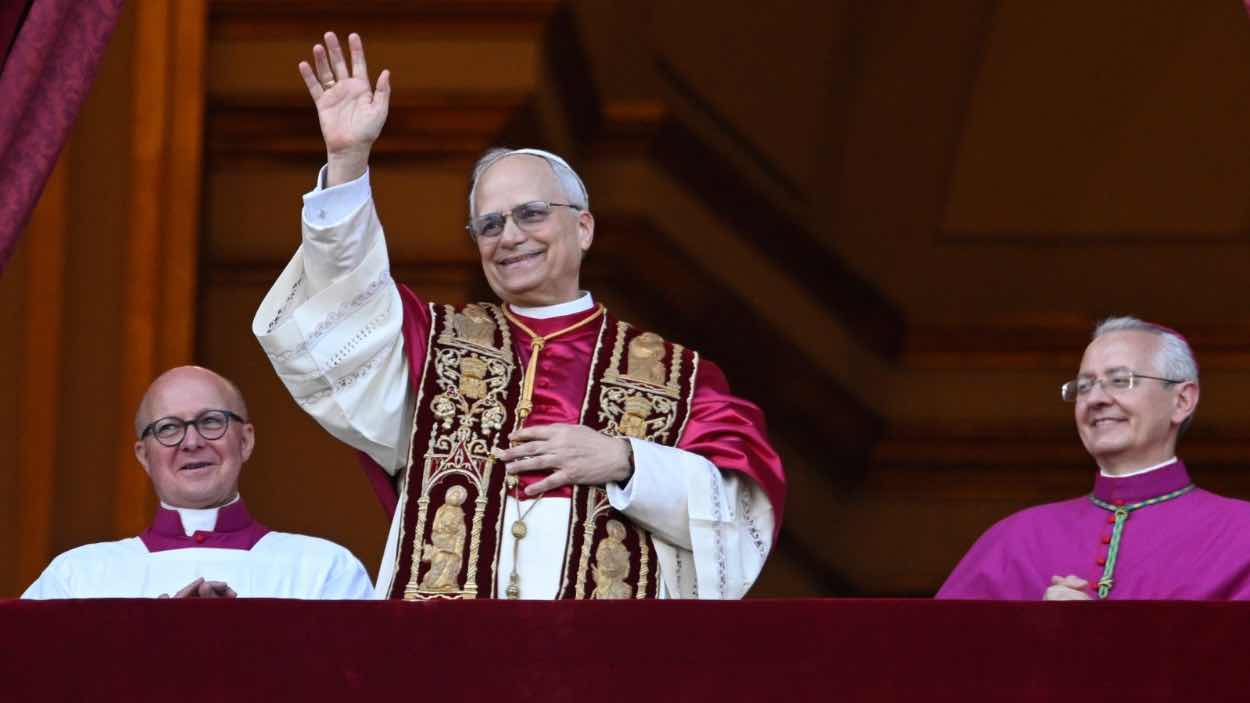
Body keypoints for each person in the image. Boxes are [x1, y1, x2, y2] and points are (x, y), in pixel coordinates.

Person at [252, 32, 785, 600]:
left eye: (531, 213)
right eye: (489, 224)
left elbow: (742, 513)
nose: (509, 237)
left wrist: (627, 460)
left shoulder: (678, 377)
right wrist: (347, 161)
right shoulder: (431, 346)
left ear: (583, 228)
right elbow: (345, 303)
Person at [937, 316, 1250, 600]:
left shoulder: (1241, 534)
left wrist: (1097, 632)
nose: (1096, 399)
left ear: (1181, 400)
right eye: (1084, 386)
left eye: (1120, 380)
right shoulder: (1015, 539)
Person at [22, 366, 375, 599]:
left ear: (245, 440)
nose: (191, 442)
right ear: (144, 455)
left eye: (210, 422)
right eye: (168, 428)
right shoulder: (77, 577)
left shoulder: (324, 571)